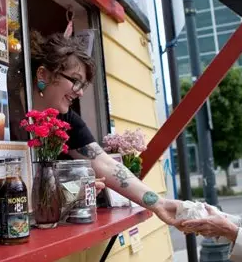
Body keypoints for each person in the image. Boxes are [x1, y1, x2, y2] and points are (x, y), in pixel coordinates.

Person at [23, 31, 182, 225]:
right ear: (43, 74)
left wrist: (159, 204)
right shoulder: (5, 106)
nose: (80, 92)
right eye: (75, 80)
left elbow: (105, 164)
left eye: (82, 85)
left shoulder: (65, 119)